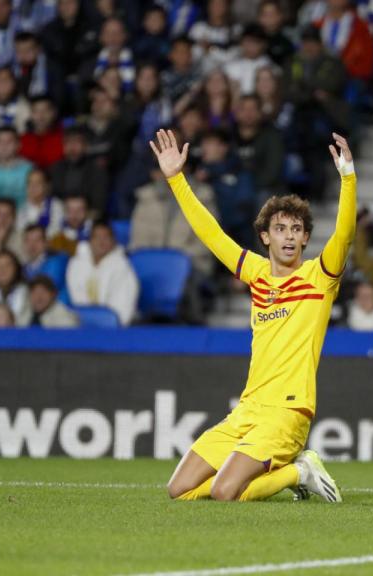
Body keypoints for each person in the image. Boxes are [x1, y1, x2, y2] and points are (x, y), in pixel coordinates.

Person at [151, 128, 354, 503]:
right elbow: (212, 235)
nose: (289, 236)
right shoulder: (257, 274)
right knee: (179, 490)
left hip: (288, 412)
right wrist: (176, 179)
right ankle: (286, 472)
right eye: (280, 229)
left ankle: (299, 469)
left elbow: (344, 234)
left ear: (306, 238)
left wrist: (348, 178)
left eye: (297, 229)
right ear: (266, 237)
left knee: (227, 492)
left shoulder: (319, 278)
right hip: (247, 410)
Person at [65, 221, 138, 325]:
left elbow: (123, 308)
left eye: (106, 237)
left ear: (113, 241)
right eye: (97, 237)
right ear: (90, 241)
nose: (101, 241)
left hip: (112, 331)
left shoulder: (122, 267)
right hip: (80, 327)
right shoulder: (76, 264)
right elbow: (76, 296)